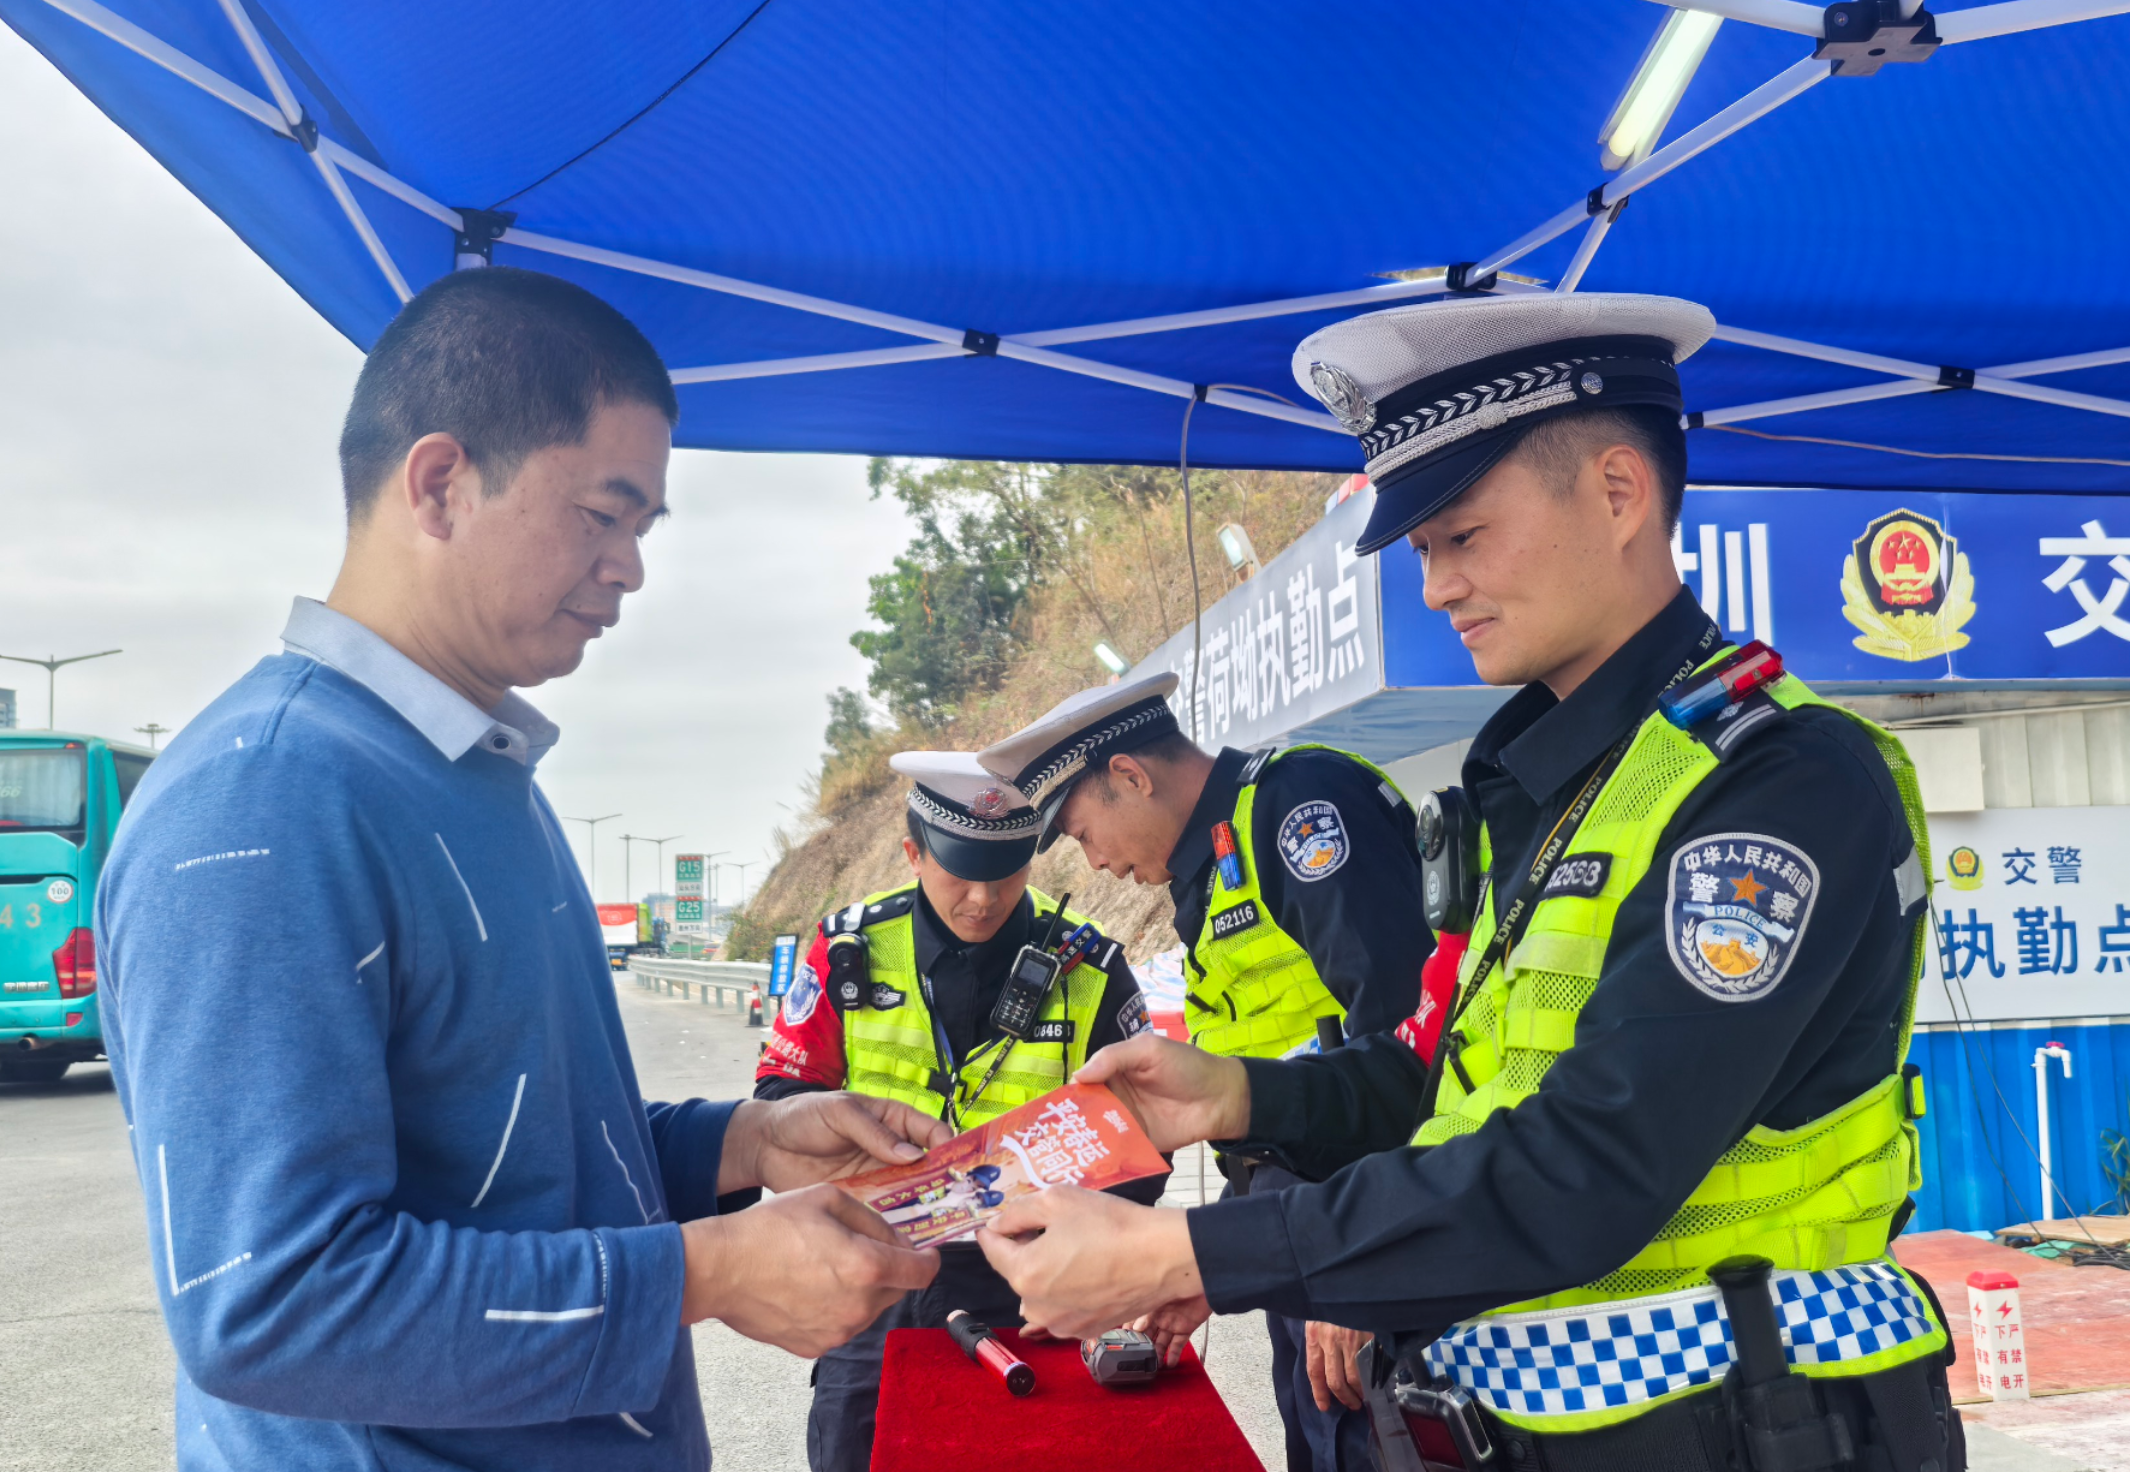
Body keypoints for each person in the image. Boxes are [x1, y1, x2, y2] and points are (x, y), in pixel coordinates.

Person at [981, 292, 1963, 1472]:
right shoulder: (1561, 780)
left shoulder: (1781, 785)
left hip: (1745, 1424)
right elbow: (1461, 1082)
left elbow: (1590, 1160)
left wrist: (1191, 1251)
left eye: (1462, 534)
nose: (1438, 586)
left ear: (1617, 492)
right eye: (1425, 550)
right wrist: (1237, 1098)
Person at [96, 267, 944, 1472]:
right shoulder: (264, 804)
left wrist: (741, 1143)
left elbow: (513, 1153)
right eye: (603, 514)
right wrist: (704, 1272)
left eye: (643, 530)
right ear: (440, 482)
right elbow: (272, 1300)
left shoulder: (479, 772)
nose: (630, 569)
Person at [977, 673, 1438, 1472]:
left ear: (1130, 775)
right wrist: (1211, 1266)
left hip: (1362, 1218)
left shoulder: (1298, 809)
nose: (1096, 865)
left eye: (1085, 834)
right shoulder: (1212, 863)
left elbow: (1412, 1054)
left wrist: (1367, 1264)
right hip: (1298, 1219)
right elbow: (1270, 1104)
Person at [754, 750, 1161, 1472]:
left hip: (1034, 1287)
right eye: (959, 873)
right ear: (914, 852)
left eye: (1003, 874)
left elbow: (1142, 1141)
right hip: (876, 1276)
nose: (981, 897)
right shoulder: (845, 948)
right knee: (856, 1449)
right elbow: (780, 1104)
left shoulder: (1090, 967)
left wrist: (1074, 1247)